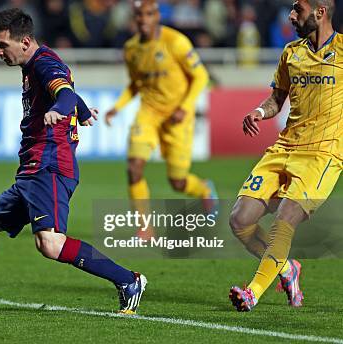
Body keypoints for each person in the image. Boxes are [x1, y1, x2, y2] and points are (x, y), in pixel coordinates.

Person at [0, 8, 147, 315]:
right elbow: (67, 89)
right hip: (33, 170)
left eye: (2, 45)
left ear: (25, 41)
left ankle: (128, 280)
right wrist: (82, 112)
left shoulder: (44, 63)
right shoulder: (36, 64)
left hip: (50, 166)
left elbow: (65, 93)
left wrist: (63, 107)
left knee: (51, 244)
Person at [229, 0, 341, 312]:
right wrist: (259, 111)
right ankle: (287, 268)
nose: (291, 16)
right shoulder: (291, 52)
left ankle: (252, 292)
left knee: (286, 216)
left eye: (298, 9)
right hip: (284, 148)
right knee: (240, 220)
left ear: (320, 12)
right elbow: (278, 98)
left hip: (322, 155)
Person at [105, 0, 217, 223]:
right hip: (149, 113)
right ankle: (143, 226)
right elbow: (136, 84)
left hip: (177, 116)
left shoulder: (175, 42)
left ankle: (203, 189)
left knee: (178, 182)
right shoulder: (131, 50)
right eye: (139, 15)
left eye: (148, 14)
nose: (143, 20)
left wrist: (185, 107)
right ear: (134, 18)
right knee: (134, 166)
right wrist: (117, 108)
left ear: (157, 16)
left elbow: (201, 76)